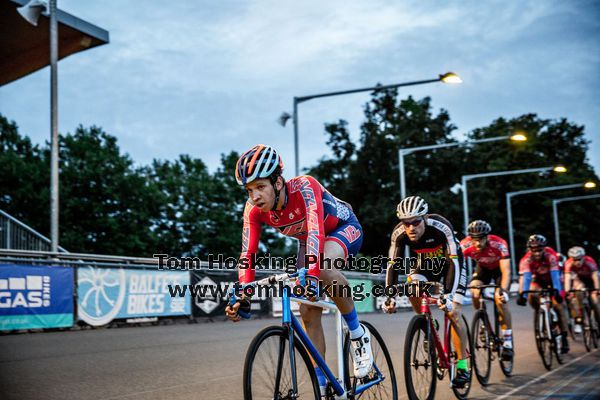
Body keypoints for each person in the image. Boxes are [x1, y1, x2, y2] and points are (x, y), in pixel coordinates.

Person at [224, 144, 373, 394]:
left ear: (278, 182)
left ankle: (358, 335)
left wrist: (312, 277)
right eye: (249, 190)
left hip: (341, 228)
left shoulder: (305, 187)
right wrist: (243, 294)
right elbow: (248, 254)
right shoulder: (253, 210)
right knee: (307, 310)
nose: (255, 196)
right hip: (310, 242)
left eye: (260, 187)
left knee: (323, 268)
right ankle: (322, 383)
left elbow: (316, 230)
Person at [382, 196, 470, 388]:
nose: (411, 228)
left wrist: (448, 295)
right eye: (406, 223)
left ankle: (463, 366)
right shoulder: (399, 234)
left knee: (454, 312)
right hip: (426, 264)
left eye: (415, 222)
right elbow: (393, 265)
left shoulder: (441, 226)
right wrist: (389, 296)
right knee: (412, 286)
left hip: (452, 265)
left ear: (424, 219)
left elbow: (454, 261)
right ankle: (426, 323)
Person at [460, 220, 513, 360]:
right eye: (474, 239)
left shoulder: (499, 244)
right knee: (474, 291)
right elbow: (456, 267)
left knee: (499, 300)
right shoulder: (465, 245)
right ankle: (481, 320)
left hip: (499, 271)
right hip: (483, 269)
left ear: (487, 237)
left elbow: (506, 272)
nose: (477, 243)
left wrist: (504, 291)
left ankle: (508, 342)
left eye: (481, 239)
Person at [517, 234, 570, 353]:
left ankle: (564, 336)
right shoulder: (526, 259)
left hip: (552, 279)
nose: (536, 253)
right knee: (531, 293)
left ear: (544, 248)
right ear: (529, 249)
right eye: (533, 250)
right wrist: (523, 295)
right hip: (538, 280)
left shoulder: (550, 256)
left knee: (559, 306)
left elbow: (555, 277)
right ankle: (540, 313)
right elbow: (526, 279)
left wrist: (558, 293)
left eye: (539, 250)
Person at [564, 246, 600, 334]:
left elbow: (595, 277)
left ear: (583, 257)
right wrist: (567, 291)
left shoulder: (589, 261)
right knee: (577, 294)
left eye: (579, 259)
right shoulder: (568, 263)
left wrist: (597, 290)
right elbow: (567, 278)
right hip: (580, 280)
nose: (577, 262)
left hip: (591, 279)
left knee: (595, 301)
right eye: (574, 259)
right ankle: (579, 318)